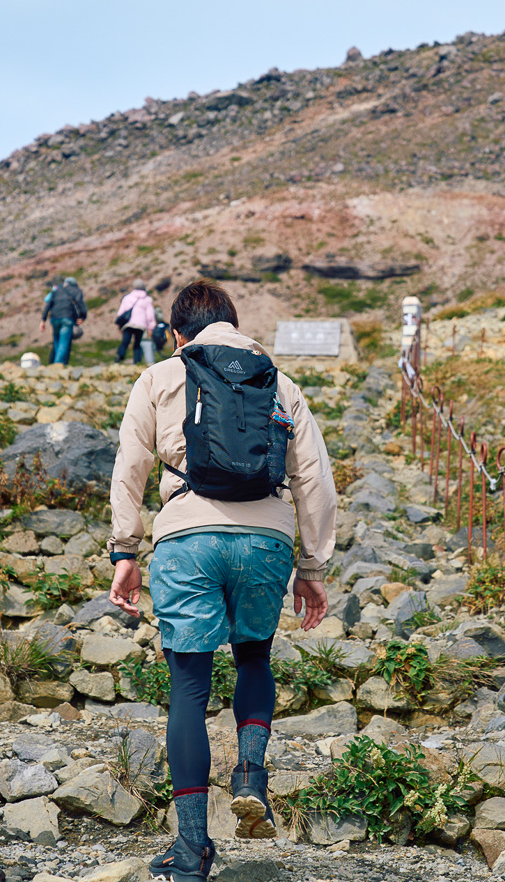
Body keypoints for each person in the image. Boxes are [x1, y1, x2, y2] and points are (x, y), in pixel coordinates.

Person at [108, 280, 337, 882]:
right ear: (236, 325)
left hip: (187, 537)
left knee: (188, 686)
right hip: (266, 539)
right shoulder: (278, 382)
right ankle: (251, 775)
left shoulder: (159, 377)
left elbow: (129, 465)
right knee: (255, 657)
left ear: (176, 334)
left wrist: (125, 550)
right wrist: (311, 568)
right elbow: (314, 478)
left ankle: (190, 852)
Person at [40, 275, 87, 365]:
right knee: (64, 342)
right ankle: (58, 364)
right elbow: (80, 304)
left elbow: (48, 305)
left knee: (56, 341)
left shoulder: (57, 291)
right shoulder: (76, 291)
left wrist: (43, 320)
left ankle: (54, 363)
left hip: (54, 318)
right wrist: (82, 317)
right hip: (67, 317)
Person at [115, 280, 157, 364]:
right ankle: (136, 361)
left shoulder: (127, 297)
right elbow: (150, 315)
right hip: (140, 325)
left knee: (125, 341)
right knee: (137, 343)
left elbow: (121, 312)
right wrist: (150, 327)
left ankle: (119, 356)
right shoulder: (147, 299)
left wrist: (119, 325)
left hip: (128, 324)